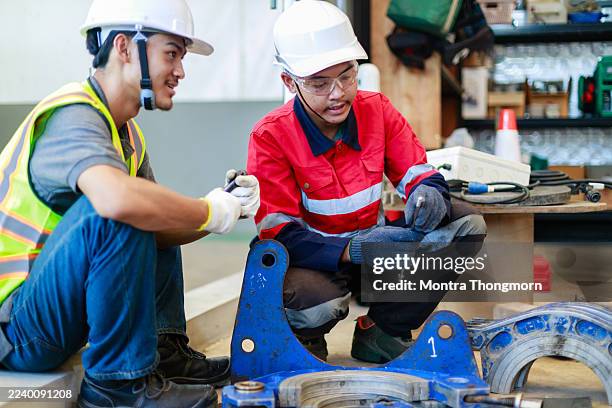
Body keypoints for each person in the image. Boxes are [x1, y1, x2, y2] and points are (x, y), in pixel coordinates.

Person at [0, 0, 259, 406]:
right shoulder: (73, 116)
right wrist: (208, 210)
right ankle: (116, 387)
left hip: (42, 314)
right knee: (123, 207)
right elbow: (116, 202)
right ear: (124, 48)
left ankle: (165, 352)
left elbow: (159, 226)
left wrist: (226, 209)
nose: (180, 71)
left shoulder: (127, 133)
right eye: (171, 53)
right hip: (14, 330)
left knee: (152, 207)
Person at [247, 0, 486, 363]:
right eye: (318, 83)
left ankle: (383, 330)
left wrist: (429, 192)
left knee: (463, 222)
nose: (338, 93)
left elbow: (418, 171)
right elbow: (278, 235)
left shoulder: (376, 110)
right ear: (289, 82)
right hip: (315, 265)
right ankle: (304, 339)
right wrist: (353, 249)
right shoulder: (271, 136)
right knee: (312, 302)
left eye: (347, 75)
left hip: (376, 256)